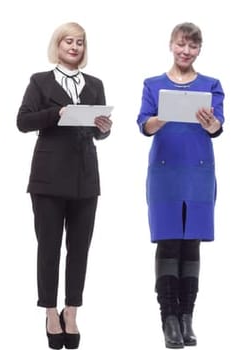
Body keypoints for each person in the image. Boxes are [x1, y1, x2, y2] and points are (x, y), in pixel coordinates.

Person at [13, 22, 110, 350]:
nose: (74, 47)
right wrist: (58, 112)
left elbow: (99, 133)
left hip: (85, 177)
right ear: (57, 45)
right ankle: (50, 311)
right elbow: (23, 121)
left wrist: (104, 127)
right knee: (49, 248)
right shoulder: (40, 81)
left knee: (80, 249)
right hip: (49, 177)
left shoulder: (95, 84)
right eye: (68, 41)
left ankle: (72, 310)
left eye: (80, 42)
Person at [135, 22, 223, 349]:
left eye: (193, 47)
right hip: (164, 169)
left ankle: (187, 317)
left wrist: (213, 124)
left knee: (192, 243)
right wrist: (164, 116)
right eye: (181, 45)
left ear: (199, 50)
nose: (186, 52)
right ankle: (168, 318)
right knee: (169, 240)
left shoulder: (211, 85)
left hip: (198, 170)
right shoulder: (153, 84)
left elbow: (217, 127)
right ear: (171, 44)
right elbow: (144, 124)